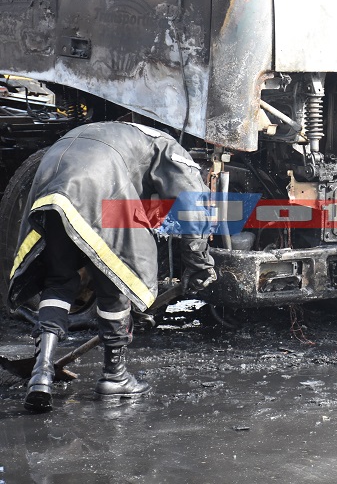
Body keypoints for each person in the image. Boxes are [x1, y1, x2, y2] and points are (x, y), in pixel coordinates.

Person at [7, 122, 218, 412]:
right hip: (97, 179)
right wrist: (197, 261)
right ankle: (115, 376)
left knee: (58, 279)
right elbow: (192, 200)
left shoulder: (116, 131)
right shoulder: (168, 147)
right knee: (117, 275)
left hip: (52, 173)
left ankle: (41, 373)